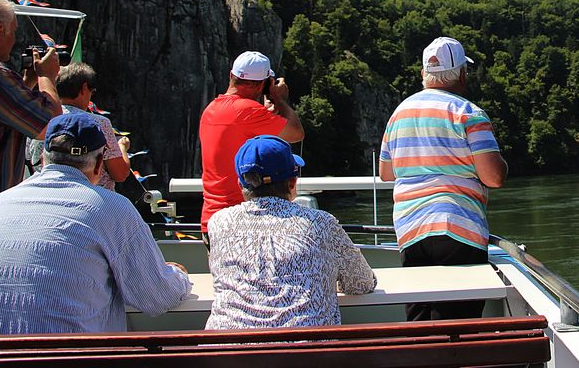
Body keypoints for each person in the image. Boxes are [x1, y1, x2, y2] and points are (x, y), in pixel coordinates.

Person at [0, 112, 191, 334]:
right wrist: (178, 276)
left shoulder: (0, 203)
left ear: (43, 159)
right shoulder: (112, 208)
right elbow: (157, 297)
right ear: (99, 165)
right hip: (69, 357)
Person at [379, 36, 508, 321]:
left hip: (411, 230)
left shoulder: (398, 114)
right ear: (462, 74)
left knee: (420, 315)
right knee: (457, 321)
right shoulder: (467, 112)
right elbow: (494, 177)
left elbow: (386, 173)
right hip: (457, 226)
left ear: (424, 73)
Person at [205, 135, 376, 329]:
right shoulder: (321, 223)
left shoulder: (218, 223)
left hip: (225, 354)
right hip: (307, 356)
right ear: (292, 182)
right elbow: (361, 283)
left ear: (240, 185)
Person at [0, 0, 61, 232]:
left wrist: (25, 86)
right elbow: (51, 126)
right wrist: (47, 77)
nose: (13, 40)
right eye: (12, 31)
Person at [199, 51, 305, 238]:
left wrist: (266, 112)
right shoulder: (247, 110)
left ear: (232, 75)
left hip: (212, 222)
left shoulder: (211, 110)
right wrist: (280, 99)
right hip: (241, 221)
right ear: (263, 85)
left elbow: (240, 134)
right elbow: (296, 133)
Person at [26, 62, 131, 190]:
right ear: (84, 88)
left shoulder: (37, 118)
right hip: (93, 199)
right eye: (92, 91)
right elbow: (120, 174)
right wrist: (122, 147)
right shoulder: (97, 123)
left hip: (43, 192)